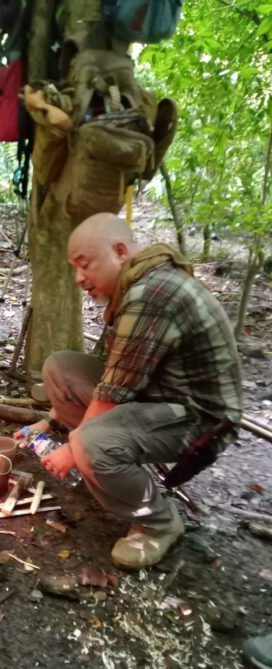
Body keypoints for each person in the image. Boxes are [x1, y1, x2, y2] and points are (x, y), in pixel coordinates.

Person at [19, 212, 242, 569]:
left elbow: (111, 393)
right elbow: (112, 371)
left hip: (200, 420)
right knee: (60, 368)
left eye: (84, 265)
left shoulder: (151, 292)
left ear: (120, 251)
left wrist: (75, 449)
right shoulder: (137, 286)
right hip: (160, 396)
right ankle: (106, 469)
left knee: (92, 443)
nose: (78, 278)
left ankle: (159, 523)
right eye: (73, 268)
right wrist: (50, 422)